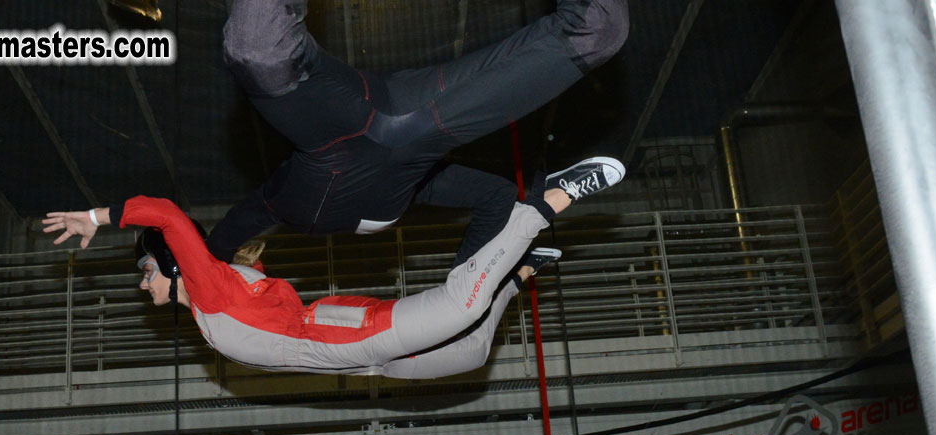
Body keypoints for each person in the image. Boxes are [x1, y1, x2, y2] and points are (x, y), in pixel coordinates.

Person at [42, 158, 617, 379]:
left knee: (461, 304)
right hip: (348, 359)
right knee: (470, 352)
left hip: (339, 337)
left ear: (172, 267)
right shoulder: (210, 303)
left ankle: (548, 202)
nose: (144, 286)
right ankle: (517, 274)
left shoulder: (208, 287)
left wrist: (100, 215)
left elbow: (166, 214)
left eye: (146, 271)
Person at [210, 0, 629, 267]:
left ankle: (488, 263)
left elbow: (232, 228)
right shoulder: (273, 206)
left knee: (599, 27)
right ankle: (489, 264)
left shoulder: (274, 204)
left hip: (380, 138)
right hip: (386, 166)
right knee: (595, 30)